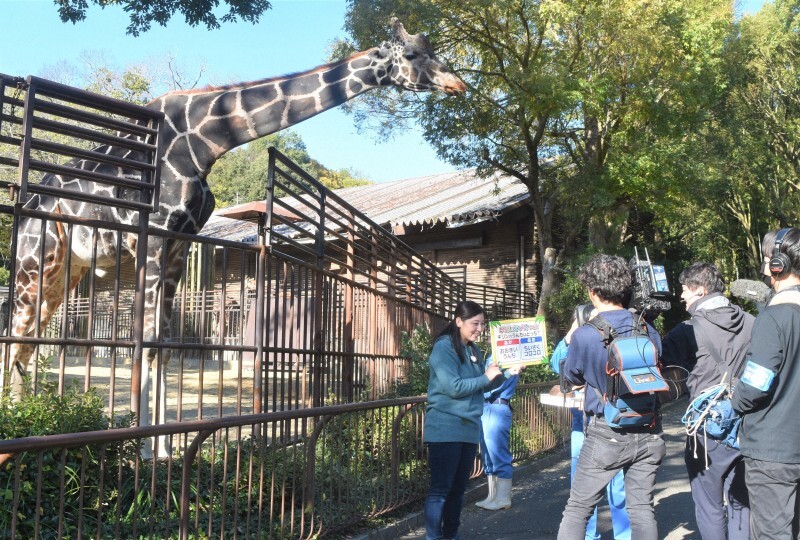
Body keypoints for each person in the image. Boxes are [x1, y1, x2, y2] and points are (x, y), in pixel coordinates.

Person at [557, 254, 666, 540]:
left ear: (593, 292)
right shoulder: (647, 327)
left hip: (607, 433)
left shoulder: (585, 334)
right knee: (642, 509)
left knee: (578, 508)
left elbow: (572, 378)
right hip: (650, 429)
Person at [662, 262, 752, 540]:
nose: (681, 297)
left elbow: (662, 374)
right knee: (742, 503)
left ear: (699, 290)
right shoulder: (754, 322)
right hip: (748, 423)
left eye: (684, 290)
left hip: (706, 428)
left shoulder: (686, 330)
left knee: (709, 504)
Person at [424, 300, 520, 540]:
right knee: (440, 491)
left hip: (468, 429)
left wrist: (507, 374)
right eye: (474, 323)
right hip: (445, 428)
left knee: (457, 490)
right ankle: (434, 537)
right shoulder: (444, 347)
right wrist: (486, 377)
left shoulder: (473, 350)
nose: (480, 329)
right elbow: (454, 387)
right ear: (458, 322)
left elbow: (483, 388)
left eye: (482, 324)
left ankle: (451, 535)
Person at [731, 228, 800, 540]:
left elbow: (755, 386)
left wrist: (735, 399)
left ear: (778, 266)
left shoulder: (775, 317)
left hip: (773, 452)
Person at [550, 309, 631, 540]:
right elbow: (557, 365)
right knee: (583, 492)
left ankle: (624, 536)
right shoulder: (581, 337)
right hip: (583, 425)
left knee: (618, 488)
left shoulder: (619, 334)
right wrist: (574, 330)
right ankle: (587, 536)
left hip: (611, 421)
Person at [474, 354, 519, 511]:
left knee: (498, 453)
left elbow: (493, 386)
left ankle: (503, 498)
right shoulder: (496, 353)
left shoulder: (508, 353)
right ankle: (492, 496)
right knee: (488, 453)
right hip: (488, 407)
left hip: (496, 406)